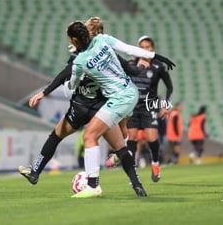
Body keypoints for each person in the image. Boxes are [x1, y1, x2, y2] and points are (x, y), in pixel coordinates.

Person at [18, 17, 145, 188]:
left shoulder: (79, 56)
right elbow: (129, 70)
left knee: (55, 136)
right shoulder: (106, 51)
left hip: (80, 106)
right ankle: (136, 183)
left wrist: (45, 92)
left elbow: (65, 75)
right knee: (121, 148)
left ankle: (35, 172)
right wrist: (141, 67)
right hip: (100, 107)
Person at [67, 21, 175, 198]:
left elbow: (72, 85)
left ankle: (93, 186)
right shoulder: (103, 39)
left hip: (119, 99)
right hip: (131, 92)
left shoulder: (79, 61)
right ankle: (134, 179)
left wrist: (77, 75)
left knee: (89, 136)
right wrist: (156, 56)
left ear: (74, 40)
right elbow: (130, 49)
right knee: (122, 142)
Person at [107, 35, 173, 183]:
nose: (145, 50)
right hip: (132, 108)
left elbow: (169, 86)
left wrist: (165, 105)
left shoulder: (158, 67)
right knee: (132, 139)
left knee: (151, 138)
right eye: (142, 47)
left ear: (153, 49)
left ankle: (155, 163)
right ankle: (133, 171)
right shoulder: (131, 64)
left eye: (148, 47)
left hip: (149, 107)